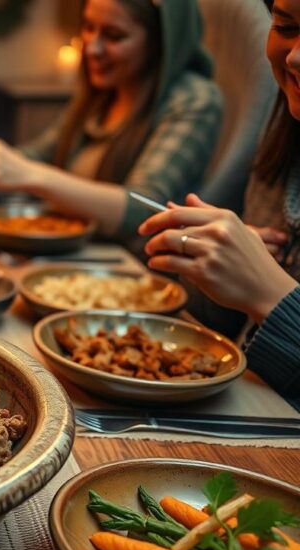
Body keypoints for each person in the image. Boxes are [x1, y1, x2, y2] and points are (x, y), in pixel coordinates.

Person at [0, 0, 223, 241]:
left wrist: (27, 174)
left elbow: (145, 209)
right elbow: (36, 157)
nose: (91, 48)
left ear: (162, 43)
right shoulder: (101, 95)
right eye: (88, 28)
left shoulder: (194, 99)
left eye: (113, 36)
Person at [139, 0, 300, 397]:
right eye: (285, 25)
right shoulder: (284, 130)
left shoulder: (193, 100)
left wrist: (272, 294)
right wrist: (216, 272)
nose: (295, 57)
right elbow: (227, 331)